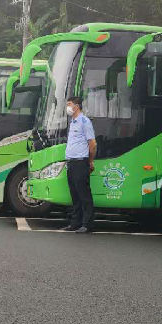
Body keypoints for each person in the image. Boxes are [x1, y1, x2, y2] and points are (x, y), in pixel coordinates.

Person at [62, 96, 96, 234]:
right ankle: (75, 223)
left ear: (76, 106)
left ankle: (87, 224)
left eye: (69, 104)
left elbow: (92, 144)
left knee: (84, 195)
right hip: (71, 163)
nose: (67, 107)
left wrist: (90, 161)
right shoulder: (72, 122)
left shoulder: (84, 121)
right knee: (74, 195)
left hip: (81, 162)